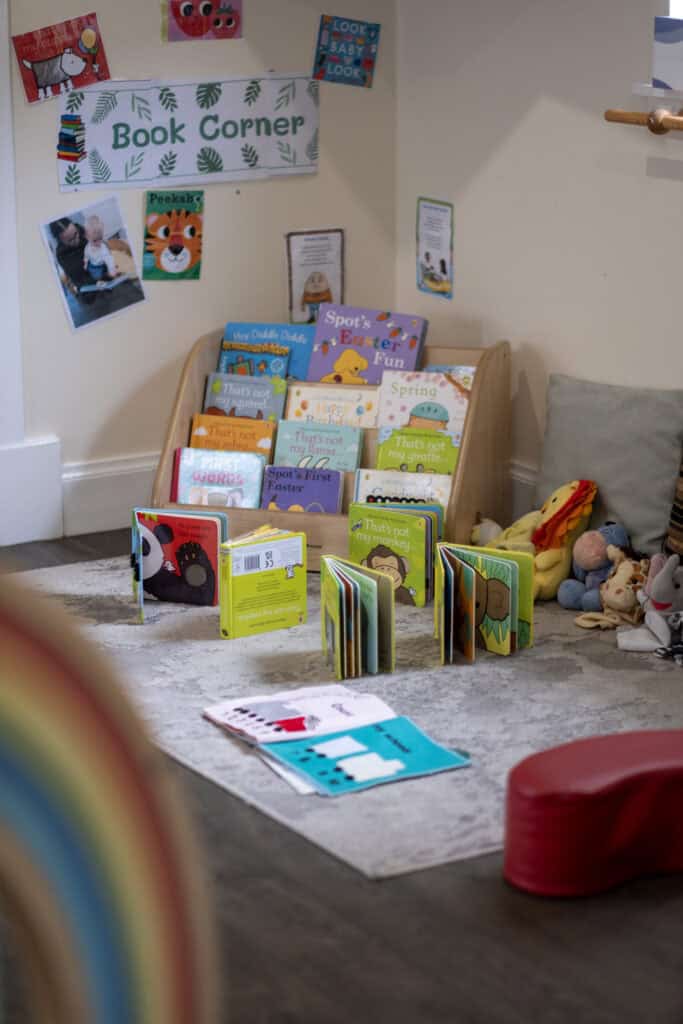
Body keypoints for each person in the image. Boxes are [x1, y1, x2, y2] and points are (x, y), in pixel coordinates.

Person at [82, 214, 117, 282]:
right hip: (92, 264)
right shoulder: (87, 247)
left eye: (100, 238)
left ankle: (105, 277)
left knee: (102, 274)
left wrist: (112, 269)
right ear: (87, 237)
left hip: (101, 264)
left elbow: (109, 258)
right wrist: (85, 263)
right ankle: (97, 278)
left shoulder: (103, 248)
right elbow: (86, 255)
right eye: (95, 240)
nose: (98, 243)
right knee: (94, 275)